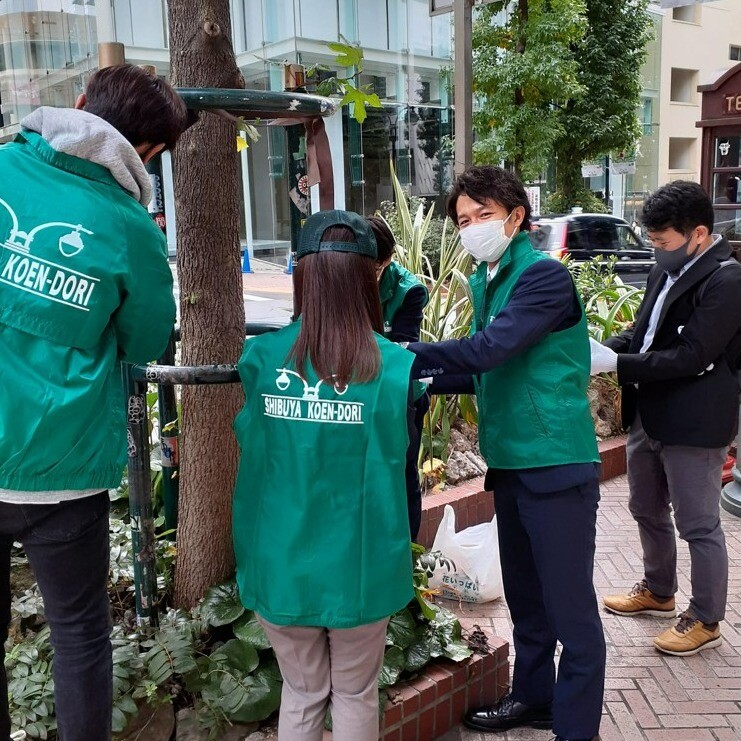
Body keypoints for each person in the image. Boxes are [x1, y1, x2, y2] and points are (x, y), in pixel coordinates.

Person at [0, 64, 188, 740]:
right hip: (64, 463)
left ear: (78, 104)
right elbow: (143, 339)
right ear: (151, 153)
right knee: (78, 633)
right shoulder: (131, 228)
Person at [406, 166, 605, 741]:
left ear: (516, 217)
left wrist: (400, 356)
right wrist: (415, 383)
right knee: (525, 597)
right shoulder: (487, 280)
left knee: (570, 609)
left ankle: (576, 728)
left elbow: (490, 350)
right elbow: (488, 374)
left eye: (482, 216)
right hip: (513, 464)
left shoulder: (542, 277)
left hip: (556, 461)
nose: (471, 228)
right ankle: (534, 699)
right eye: (463, 221)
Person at [232, 210, 415, 741]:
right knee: (356, 693)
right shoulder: (395, 367)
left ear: (302, 276)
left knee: (303, 691)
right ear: (368, 278)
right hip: (363, 561)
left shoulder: (261, 359)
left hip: (279, 559)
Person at [594, 180, 741, 656]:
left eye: (663, 242)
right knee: (645, 507)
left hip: (695, 422)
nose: (656, 251)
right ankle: (659, 591)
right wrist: (600, 350)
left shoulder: (728, 280)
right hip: (651, 414)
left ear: (698, 233)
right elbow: (645, 332)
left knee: (698, 524)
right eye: (652, 241)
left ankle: (705, 617)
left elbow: (691, 354)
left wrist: (617, 365)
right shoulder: (665, 269)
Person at [367, 214, 429, 539]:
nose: (366, 277)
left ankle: (409, 560)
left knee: (402, 474)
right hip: (359, 396)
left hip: (402, 395)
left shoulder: (409, 291)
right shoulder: (343, 280)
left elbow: (402, 351)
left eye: (374, 270)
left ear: (388, 260)